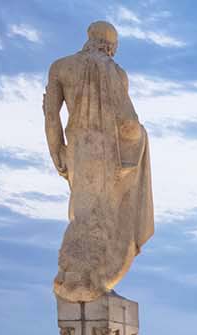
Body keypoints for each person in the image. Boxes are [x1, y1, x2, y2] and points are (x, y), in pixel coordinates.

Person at [43, 20, 154, 301]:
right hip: (107, 155)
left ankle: (71, 275)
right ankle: (93, 278)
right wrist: (140, 143)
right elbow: (128, 123)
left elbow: (51, 118)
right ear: (111, 46)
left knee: (81, 213)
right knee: (102, 215)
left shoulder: (60, 67)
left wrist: (57, 153)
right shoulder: (116, 74)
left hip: (77, 151)